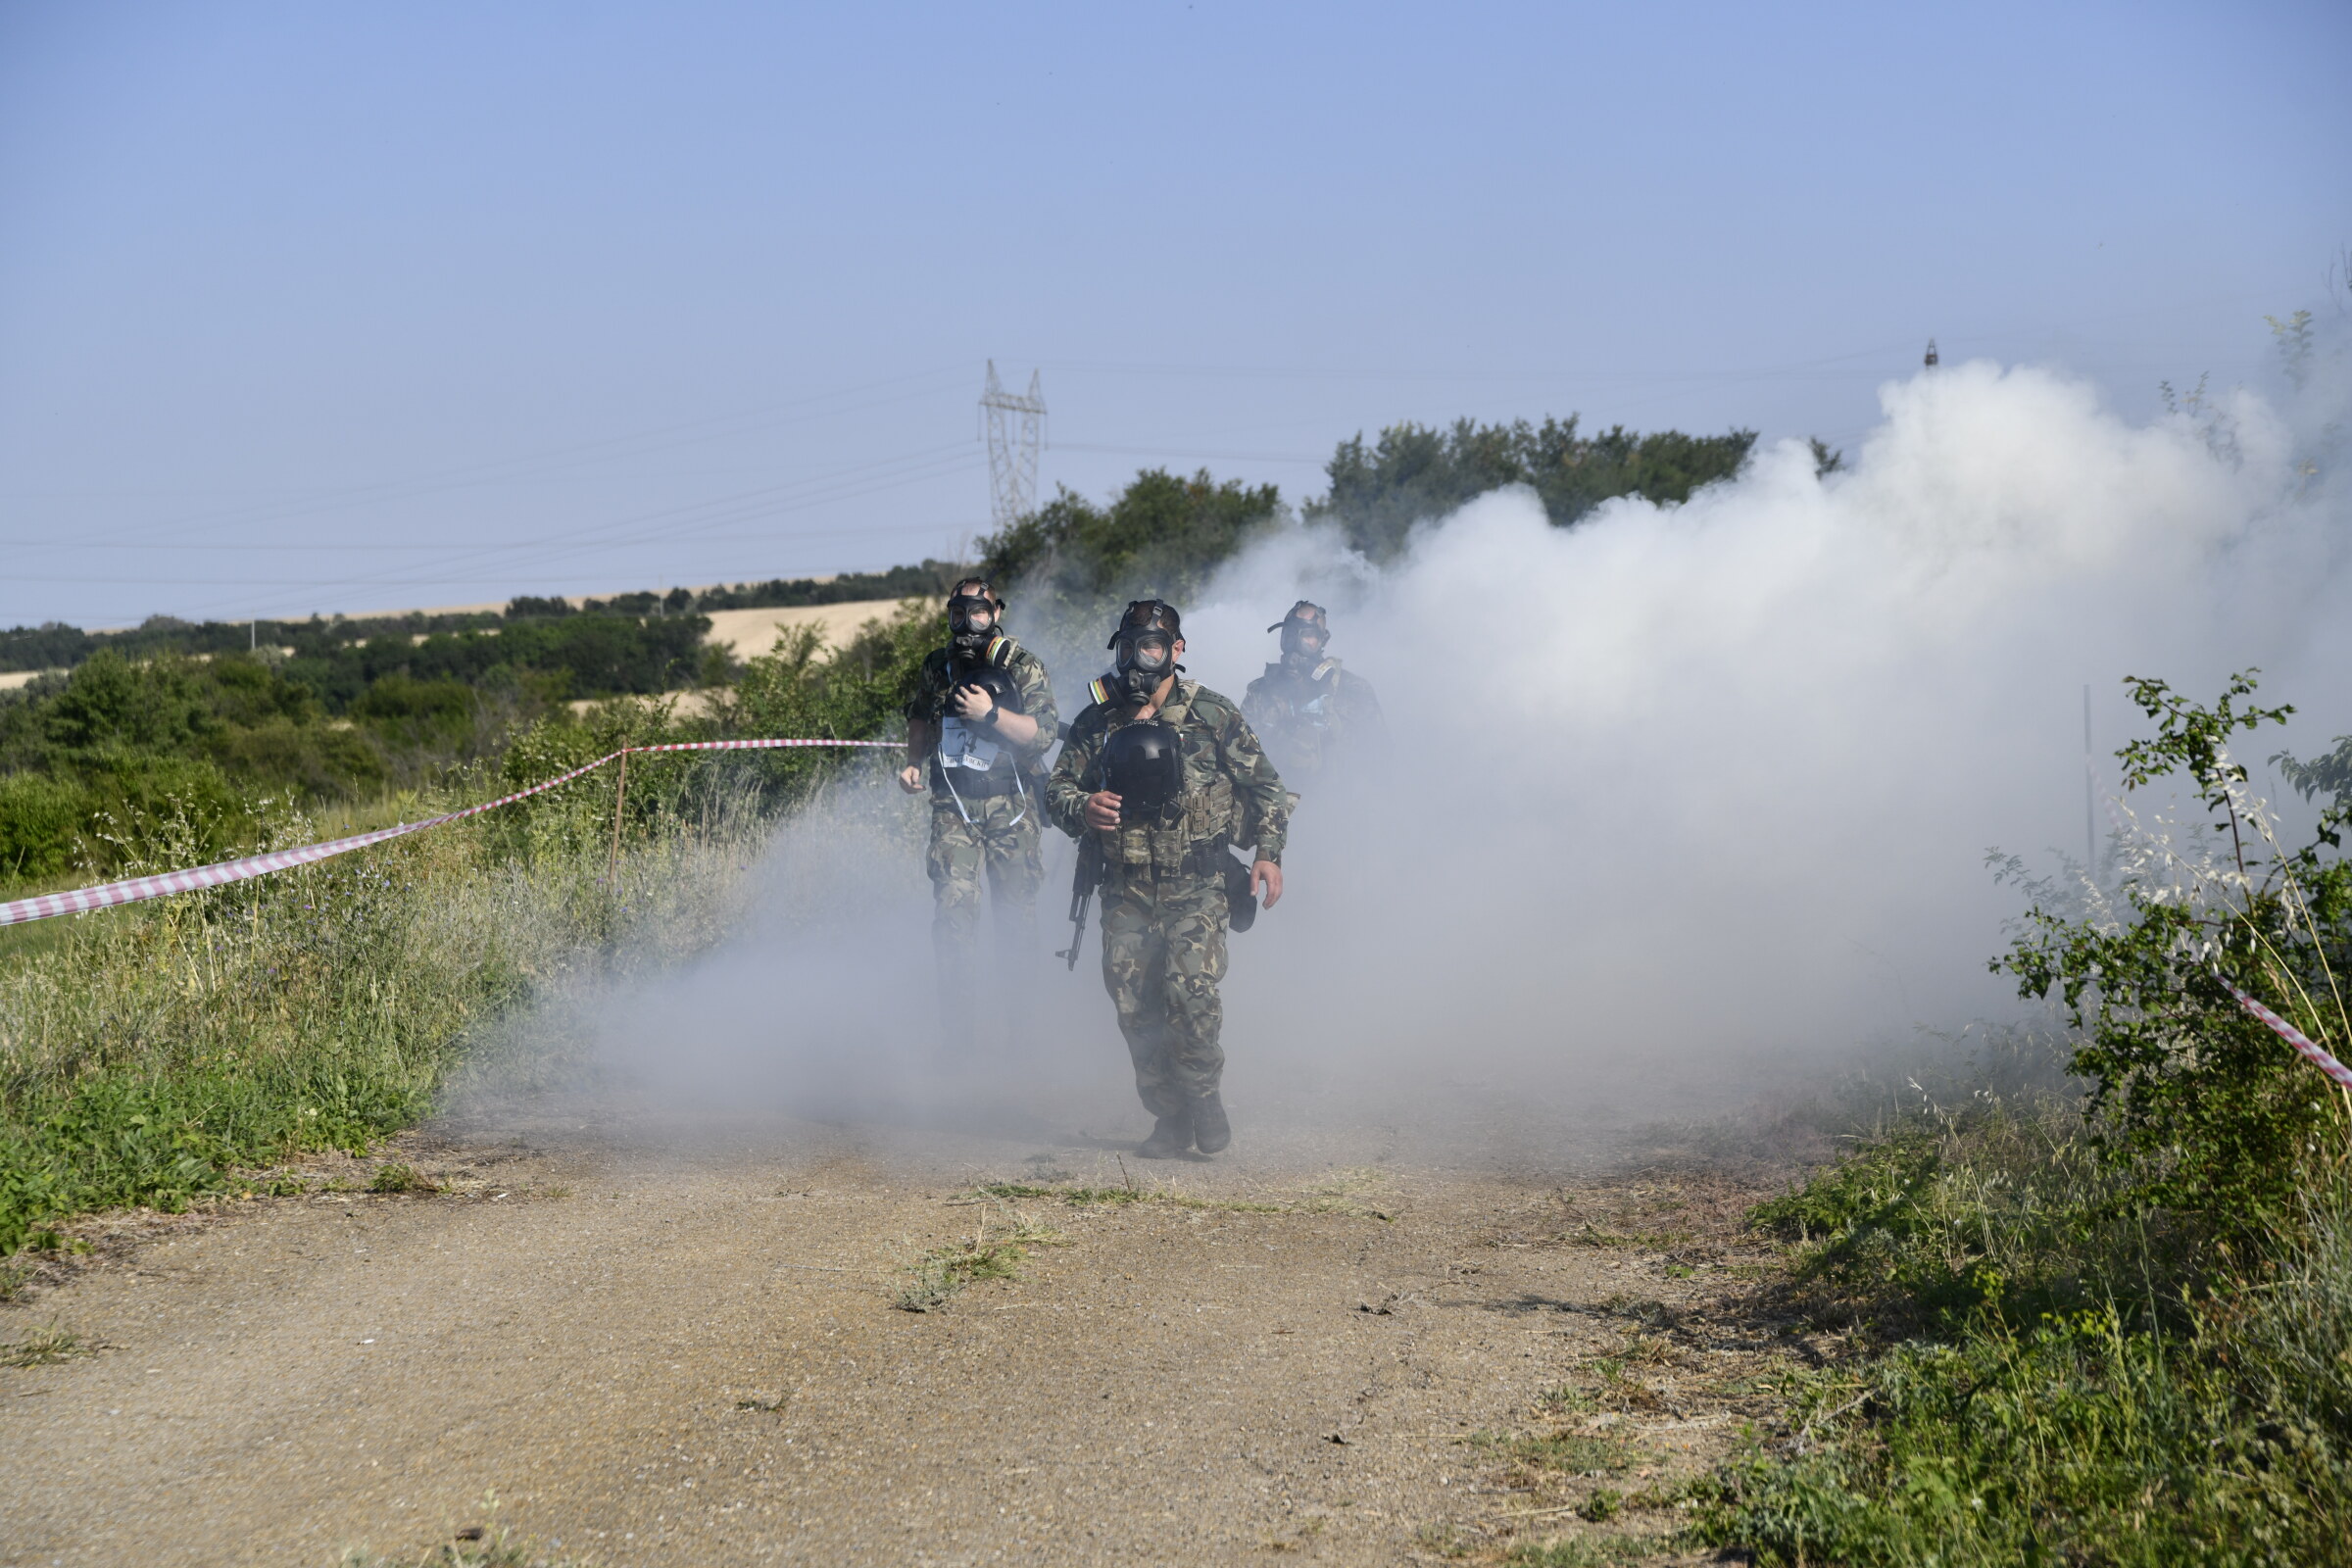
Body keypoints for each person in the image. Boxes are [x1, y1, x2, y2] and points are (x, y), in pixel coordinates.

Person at [1048, 600, 1289, 1158]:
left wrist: (1268, 853)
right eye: (1128, 647)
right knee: (1135, 1007)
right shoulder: (1097, 721)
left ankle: (1204, 1097)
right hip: (1126, 887)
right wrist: (1083, 806)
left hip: (1196, 885)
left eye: (1151, 647)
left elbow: (1268, 789)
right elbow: (1055, 791)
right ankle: (1169, 1118)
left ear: (1175, 651)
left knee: (1190, 994)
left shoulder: (1212, 714)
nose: (1138, 660)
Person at [899, 577, 1059, 1031]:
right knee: (953, 917)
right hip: (954, 805)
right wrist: (914, 763)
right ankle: (959, 1040)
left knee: (1015, 920)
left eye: (979, 614)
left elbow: (1043, 734)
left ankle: (1022, 1035)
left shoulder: (1023, 666)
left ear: (996, 615)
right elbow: (918, 714)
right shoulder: (938, 666)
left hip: (1012, 804)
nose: (968, 624)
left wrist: (991, 714)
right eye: (959, 614)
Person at [1241, 600, 1386, 787]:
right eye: (1292, 634)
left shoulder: (1352, 690)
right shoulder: (1261, 693)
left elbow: (1380, 755)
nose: (1298, 643)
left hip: (1342, 805)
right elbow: (1237, 758)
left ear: (1322, 640)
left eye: (1308, 635)